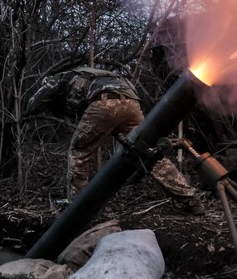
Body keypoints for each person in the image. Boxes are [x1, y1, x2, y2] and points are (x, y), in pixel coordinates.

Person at [26, 66, 206, 215]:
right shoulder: (93, 76)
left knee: (78, 153)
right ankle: (191, 199)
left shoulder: (58, 78)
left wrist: (28, 111)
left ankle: (76, 209)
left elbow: (33, 104)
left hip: (104, 102)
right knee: (148, 153)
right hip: (131, 103)